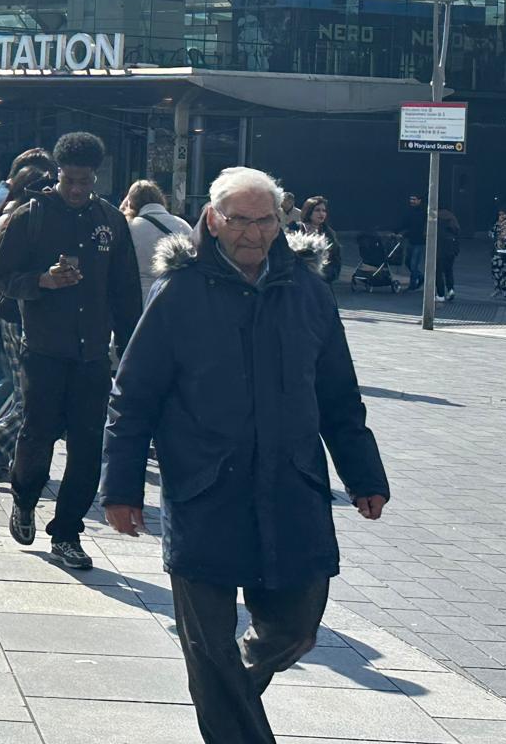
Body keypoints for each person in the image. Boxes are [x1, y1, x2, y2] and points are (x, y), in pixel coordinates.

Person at [102, 166, 389, 744]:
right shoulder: (179, 292)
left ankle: (227, 689)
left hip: (291, 487)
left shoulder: (308, 291)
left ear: (280, 221)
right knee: (208, 644)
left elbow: (337, 393)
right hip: (205, 489)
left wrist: (364, 474)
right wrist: (122, 488)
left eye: (265, 221)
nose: (253, 234)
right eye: (239, 221)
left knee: (297, 626)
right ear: (212, 219)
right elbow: (133, 397)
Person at [0, 131, 141, 569]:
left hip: (92, 355)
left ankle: (68, 532)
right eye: (69, 180)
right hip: (43, 349)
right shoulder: (31, 215)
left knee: (88, 445)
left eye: (85, 181)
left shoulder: (111, 221)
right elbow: (2, 276)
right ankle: (24, 499)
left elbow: (125, 292)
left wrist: (128, 348)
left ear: (97, 177)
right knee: (37, 434)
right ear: (58, 174)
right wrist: (41, 280)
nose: (76, 189)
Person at [0, 157, 54, 477]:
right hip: (13, 309)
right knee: (21, 387)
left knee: (0, 380)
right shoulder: (28, 218)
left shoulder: (2, 209)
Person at [122, 180, 193, 305]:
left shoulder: (130, 228)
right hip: (177, 297)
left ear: (131, 203)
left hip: (138, 299)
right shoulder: (183, 225)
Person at [294, 196, 342, 283]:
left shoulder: (329, 233)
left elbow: (336, 261)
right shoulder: (295, 229)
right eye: (317, 210)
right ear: (308, 211)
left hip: (322, 281)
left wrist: (325, 275)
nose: (321, 213)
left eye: (324, 211)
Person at [398, 193, 426, 290]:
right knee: (408, 262)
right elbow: (405, 224)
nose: (412, 201)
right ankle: (420, 276)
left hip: (419, 241)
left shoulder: (423, 212)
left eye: (414, 199)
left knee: (413, 264)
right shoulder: (410, 212)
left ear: (419, 200)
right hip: (411, 240)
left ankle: (412, 285)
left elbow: (415, 227)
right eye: (411, 199)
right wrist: (397, 231)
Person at [435, 207, 462, 302]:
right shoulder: (451, 217)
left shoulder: (435, 218)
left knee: (438, 272)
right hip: (451, 248)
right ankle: (450, 289)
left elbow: (427, 233)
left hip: (440, 248)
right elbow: (457, 231)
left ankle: (440, 294)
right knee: (448, 270)